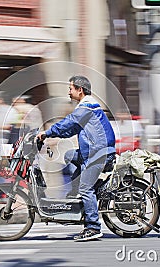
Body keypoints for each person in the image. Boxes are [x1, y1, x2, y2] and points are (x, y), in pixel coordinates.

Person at [36, 75, 116, 242]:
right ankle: (76, 190)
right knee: (68, 155)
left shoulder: (87, 106)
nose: (68, 92)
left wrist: (47, 132)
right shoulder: (86, 107)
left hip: (98, 154)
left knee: (86, 189)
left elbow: (69, 122)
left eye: (70, 88)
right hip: (93, 151)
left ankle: (93, 227)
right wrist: (51, 137)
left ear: (80, 90)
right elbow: (70, 129)